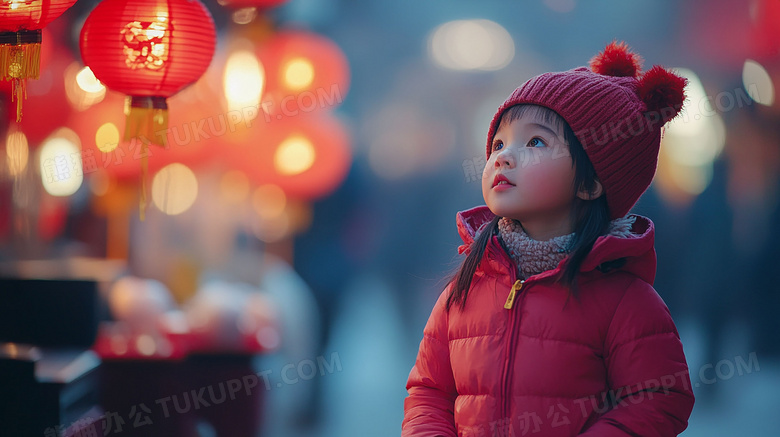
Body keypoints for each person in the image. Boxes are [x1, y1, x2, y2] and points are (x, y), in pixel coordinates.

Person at [402, 42, 695, 437]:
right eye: (499, 144)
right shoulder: (467, 287)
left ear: (591, 183)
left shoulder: (624, 300)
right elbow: (429, 390)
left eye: (535, 142)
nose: (503, 158)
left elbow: (660, 397)